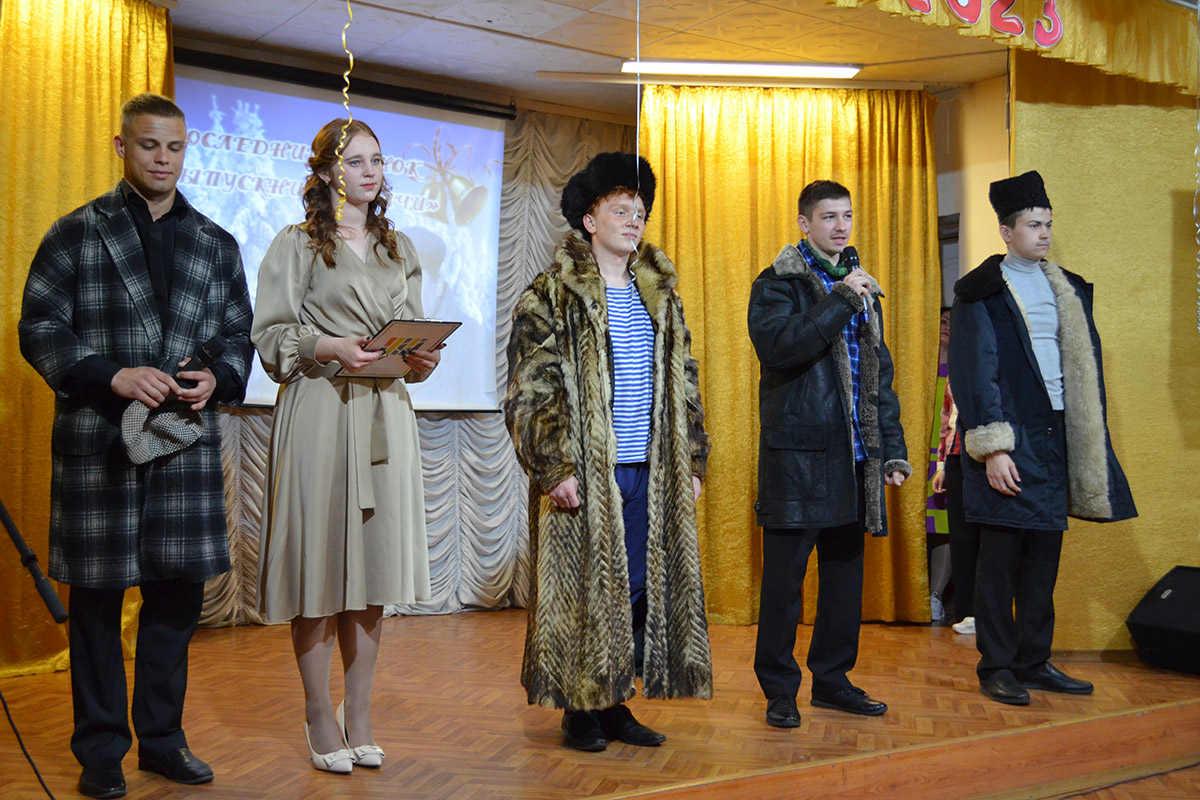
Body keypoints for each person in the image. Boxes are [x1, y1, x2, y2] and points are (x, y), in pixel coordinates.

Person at [18, 93, 254, 798]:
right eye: (149, 145)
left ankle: (162, 741)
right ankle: (99, 752)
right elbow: (39, 327)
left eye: (175, 147)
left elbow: (239, 335)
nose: (163, 159)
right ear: (122, 146)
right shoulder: (75, 232)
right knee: (95, 605)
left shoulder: (216, 243)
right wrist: (111, 374)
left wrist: (218, 377)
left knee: (176, 601)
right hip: (100, 443)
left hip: (183, 443)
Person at [505, 152, 712, 752]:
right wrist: (555, 466)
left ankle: (616, 700)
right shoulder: (550, 294)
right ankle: (580, 708)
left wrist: (691, 460)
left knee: (636, 589)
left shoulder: (661, 297)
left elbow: (685, 380)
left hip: (650, 467)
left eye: (639, 211)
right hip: (587, 470)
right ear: (590, 222)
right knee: (585, 590)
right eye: (620, 211)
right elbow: (532, 387)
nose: (634, 220)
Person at [252, 119, 439, 773]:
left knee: (373, 572)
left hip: (387, 414)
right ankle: (317, 714)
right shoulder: (297, 243)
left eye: (377, 161)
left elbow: (414, 335)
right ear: (328, 172)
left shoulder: (399, 246)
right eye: (356, 161)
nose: (370, 172)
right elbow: (270, 336)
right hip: (321, 412)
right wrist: (326, 345)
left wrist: (422, 358)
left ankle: (359, 714)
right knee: (319, 570)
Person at [947, 171, 1136, 705]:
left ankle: (1033, 661)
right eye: (1033, 225)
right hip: (1012, 432)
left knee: (1042, 558)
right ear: (1007, 232)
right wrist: (993, 447)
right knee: (999, 561)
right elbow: (973, 371)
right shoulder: (980, 291)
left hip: (1057, 432)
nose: (1044, 233)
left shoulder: (1067, 286)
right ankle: (996, 666)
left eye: (1048, 224)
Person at [747, 179, 911, 729]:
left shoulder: (860, 286)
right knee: (784, 586)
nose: (841, 226)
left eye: (847, 215)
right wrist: (842, 299)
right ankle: (779, 690)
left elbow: (877, 378)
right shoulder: (777, 283)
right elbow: (780, 347)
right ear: (804, 223)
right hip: (797, 460)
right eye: (828, 217)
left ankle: (833, 681)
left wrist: (891, 450)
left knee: (843, 581)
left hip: (855, 458)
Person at [931, 376, 980, 635]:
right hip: (956, 456)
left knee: (987, 537)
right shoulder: (954, 373)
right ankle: (965, 611)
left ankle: (984, 612)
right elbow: (946, 418)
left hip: (985, 455)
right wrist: (941, 465)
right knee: (961, 536)